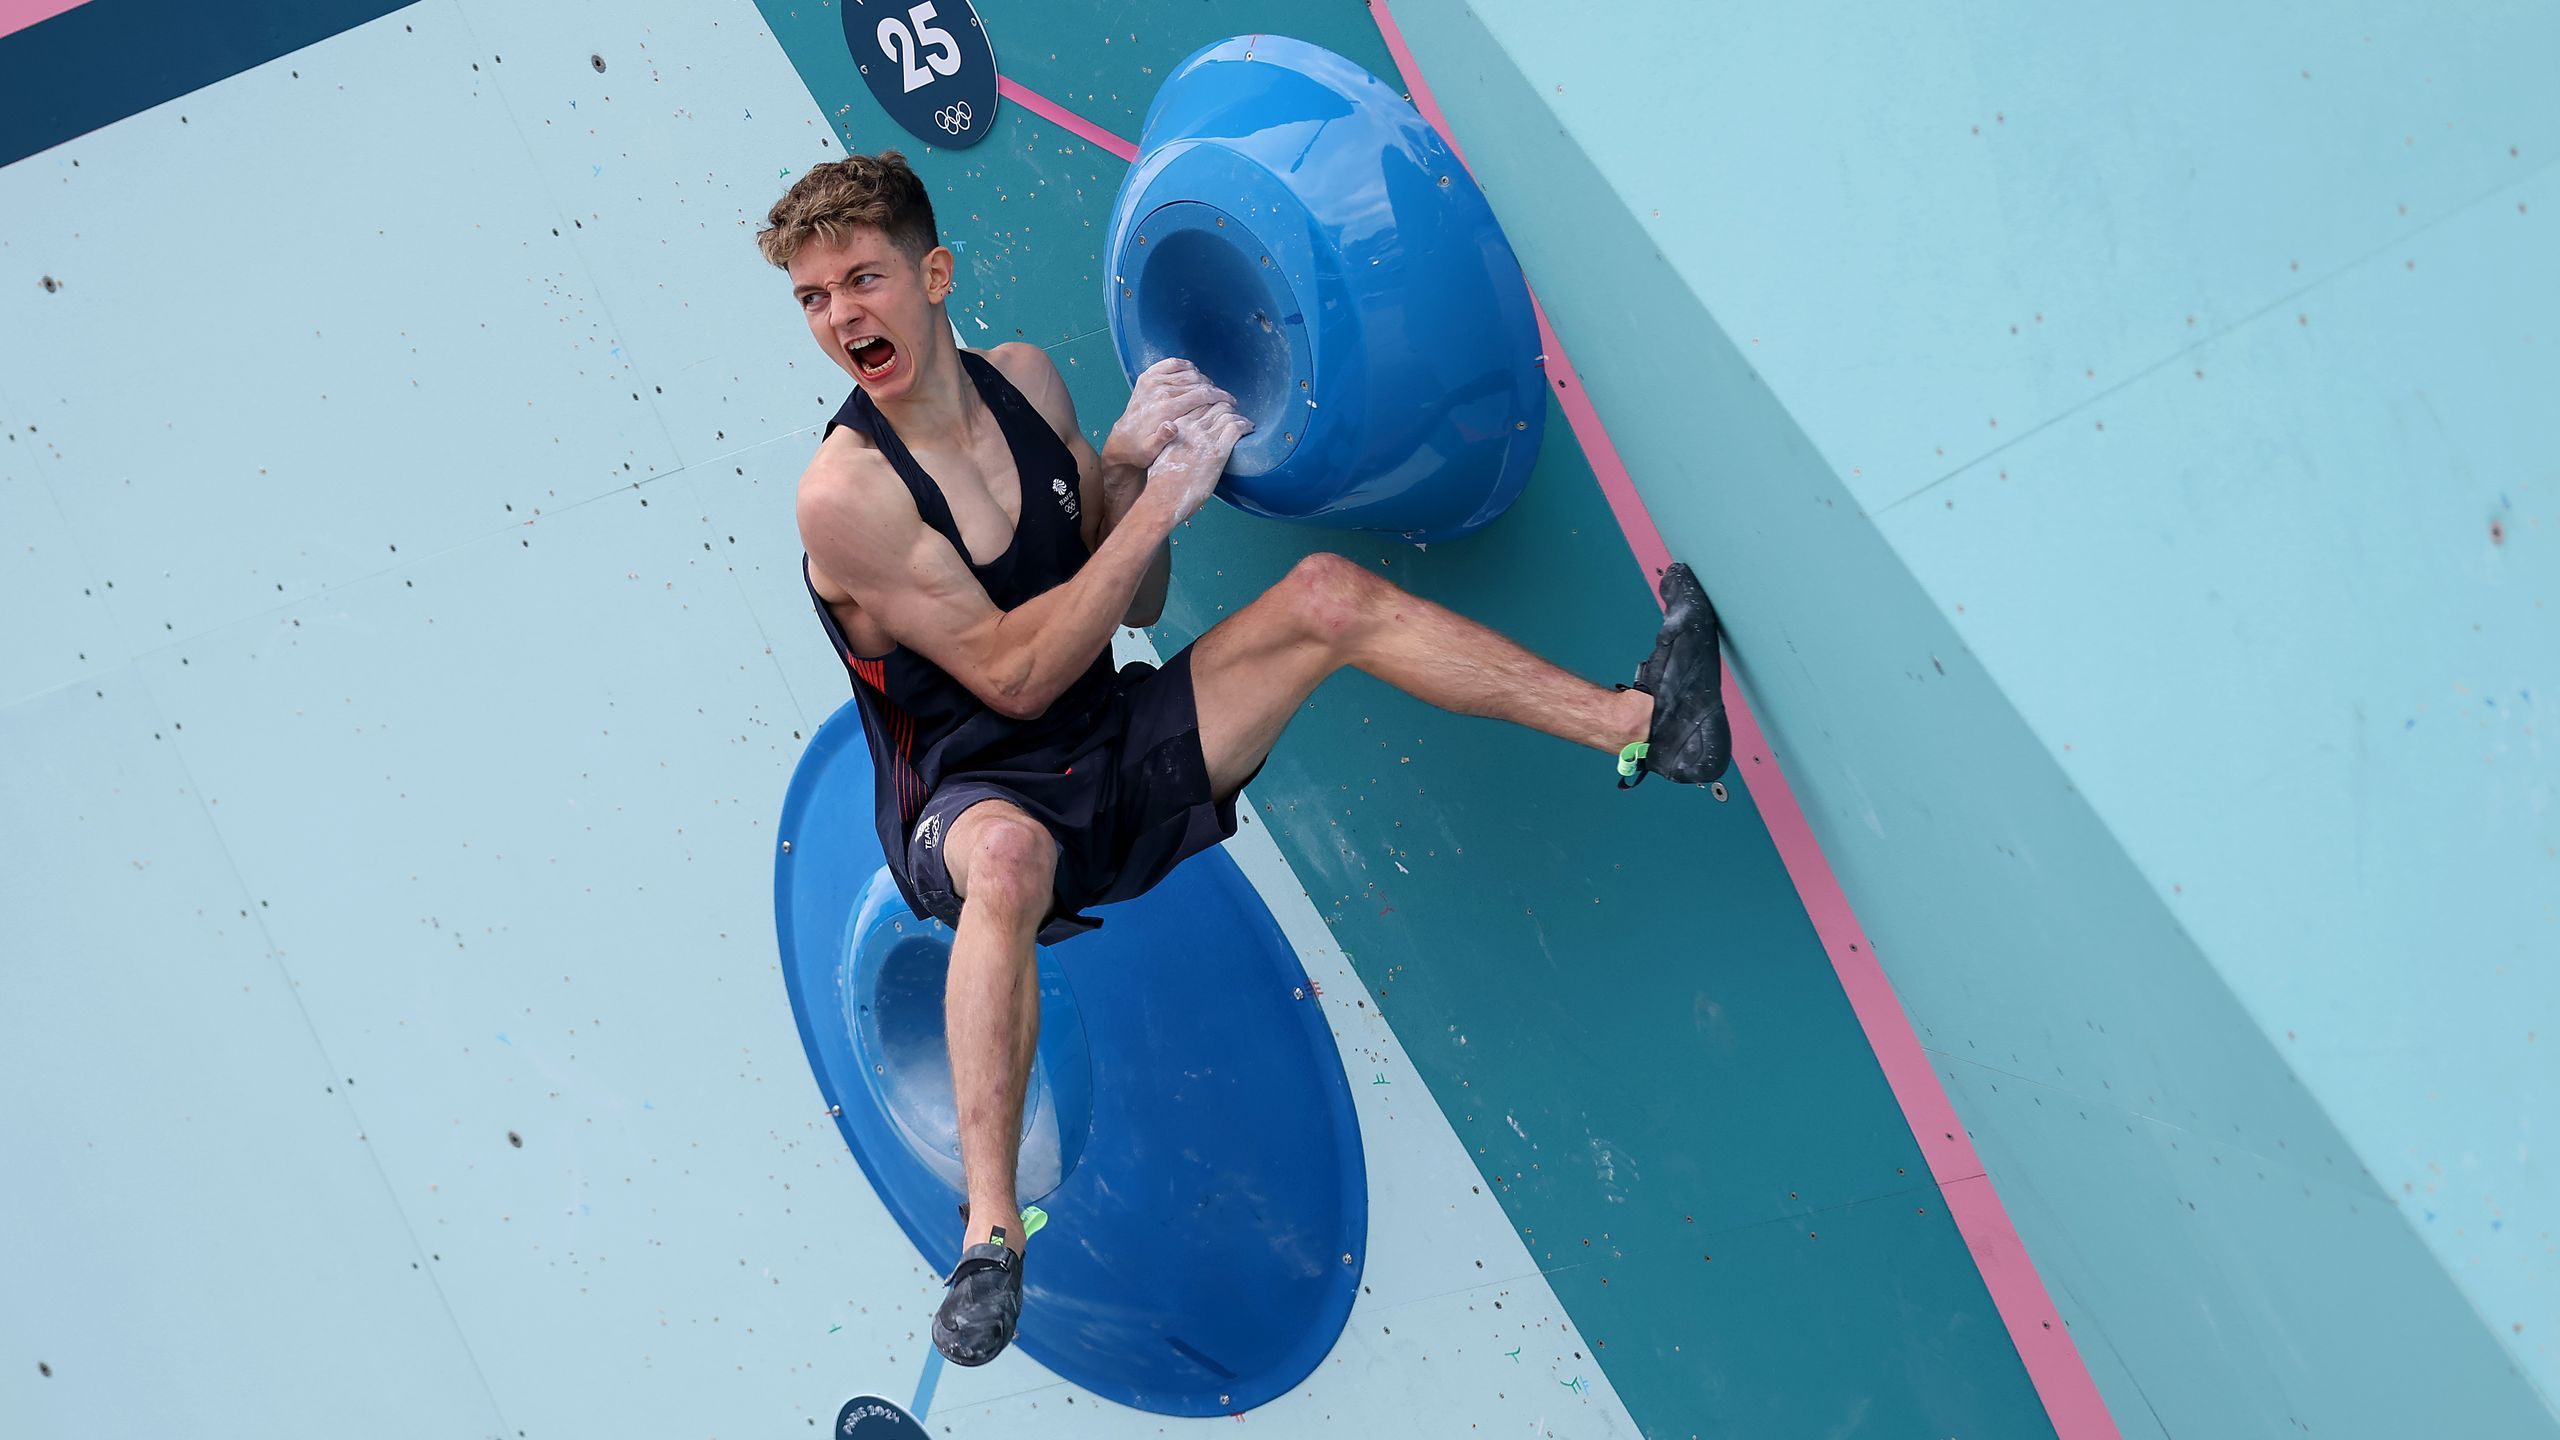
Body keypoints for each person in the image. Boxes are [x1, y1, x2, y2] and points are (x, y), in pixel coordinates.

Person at [758, 151, 1730, 1368]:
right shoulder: (842, 495)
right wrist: (1161, 498)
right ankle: (994, 1236)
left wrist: (1116, 471)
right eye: (811, 298)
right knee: (1005, 860)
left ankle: (1647, 727)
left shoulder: (1026, 386)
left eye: (861, 279)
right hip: (970, 804)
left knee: (1323, 597)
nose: (841, 317)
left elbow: (1130, 597)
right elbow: (1009, 674)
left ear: (935, 272)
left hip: (1101, 748)